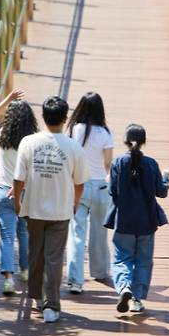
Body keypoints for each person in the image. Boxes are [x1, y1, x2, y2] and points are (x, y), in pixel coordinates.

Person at [12, 96, 91, 323]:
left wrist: (18, 202)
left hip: (33, 208)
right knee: (54, 258)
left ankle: (37, 297)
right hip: (60, 210)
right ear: (65, 119)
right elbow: (80, 183)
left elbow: (18, 178)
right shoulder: (73, 146)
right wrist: (74, 204)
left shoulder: (29, 142)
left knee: (36, 255)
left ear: (43, 117)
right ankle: (51, 306)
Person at [105, 124, 169, 313]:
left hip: (123, 221)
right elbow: (161, 192)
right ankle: (136, 299)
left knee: (121, 259)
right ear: (144, 142)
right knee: (143, 260)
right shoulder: (151, 164)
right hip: (146, 222)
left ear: (125, 141)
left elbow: (112, 191)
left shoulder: (118, 163)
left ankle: (124, 286)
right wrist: (165, 178)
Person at [0, 89, 38, 295]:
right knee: (24, 231)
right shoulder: (33, 140)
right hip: (24, 190)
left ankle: (8, 279)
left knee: (6, 236)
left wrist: (8, 99)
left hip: (2, 189)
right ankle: (25, 270)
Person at [65, 92, 114, 294]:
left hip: (79, 185)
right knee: (99, 232)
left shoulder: (75, 130)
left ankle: (76, 280)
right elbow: (108, 163)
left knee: (76, 232)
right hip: (100, 187)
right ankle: (100, 271)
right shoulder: (105, 133)